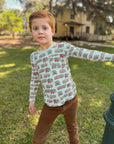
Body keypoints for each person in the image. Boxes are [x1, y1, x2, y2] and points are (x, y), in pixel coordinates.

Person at [29, 10, 114, 144]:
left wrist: (111, 57)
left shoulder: (62, 48)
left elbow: (87, 53)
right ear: (31, 32)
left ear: (52, 30)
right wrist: (31, 99)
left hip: (71, 100)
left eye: (44, 28)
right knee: (39, 137)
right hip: (51, 105)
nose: (40, 31)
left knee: (72, 128)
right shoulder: (34, 57)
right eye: (36, 28)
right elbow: (34, 79)